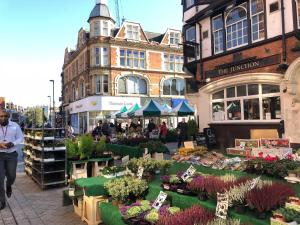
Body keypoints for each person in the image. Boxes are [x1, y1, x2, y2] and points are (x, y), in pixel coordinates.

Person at [0, 109, 23, 210]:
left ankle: (9, 184)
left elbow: (20, 138)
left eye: (5, 116)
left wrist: (12, 143)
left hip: (11, 155)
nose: (3, 118)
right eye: (1, 116)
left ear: (8, 116)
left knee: (12, 175)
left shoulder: (15, 126)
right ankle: (2, 201)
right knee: (0, 180)